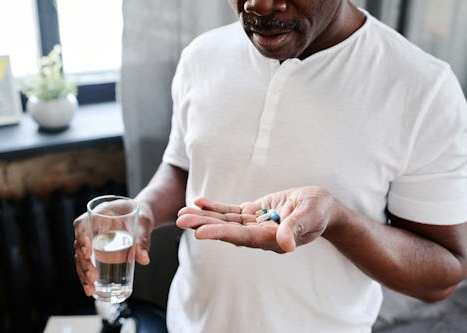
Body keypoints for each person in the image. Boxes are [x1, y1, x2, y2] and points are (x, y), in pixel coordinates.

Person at [74, 0, 467, 332]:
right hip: (189, 321)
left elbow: (442, 275)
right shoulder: (201, 55)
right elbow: (182, 168)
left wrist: (338, 221)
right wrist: (140, 212)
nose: (257, 5)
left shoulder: (423, 88)